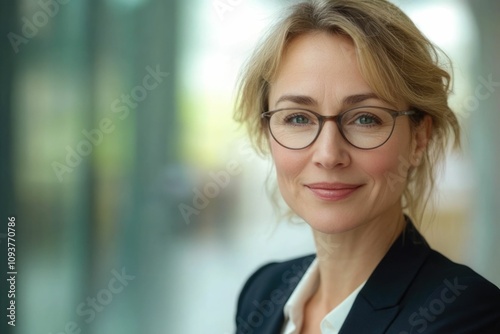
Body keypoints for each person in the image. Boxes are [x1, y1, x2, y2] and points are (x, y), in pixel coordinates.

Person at [233, 0, 500, 333]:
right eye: (298, 118)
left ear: (418, 138)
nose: (329, 154)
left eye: (365, 118)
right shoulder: (262, 293)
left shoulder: (468, 316)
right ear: (266, 132)